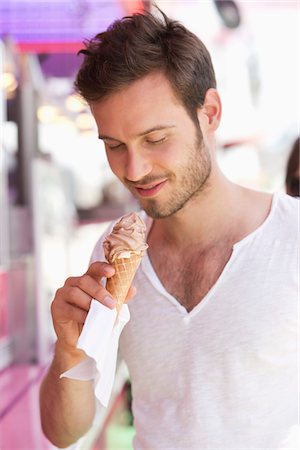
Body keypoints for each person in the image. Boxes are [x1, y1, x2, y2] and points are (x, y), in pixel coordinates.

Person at [39, 9, 298, 449]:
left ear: (210, 113)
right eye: (115, 145)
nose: (134, 169)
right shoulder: (113, 253)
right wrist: (69, 350)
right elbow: (63, 432)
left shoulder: (291, 238)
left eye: (156, 139)